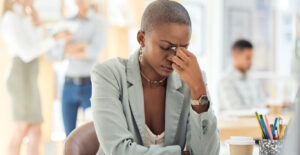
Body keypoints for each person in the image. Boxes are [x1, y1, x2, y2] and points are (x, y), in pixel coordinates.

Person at [90, 0, 220, 155]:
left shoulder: (191, 81)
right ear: (141, 39)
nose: (174, 57)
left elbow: (206, 153)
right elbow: (119, 150)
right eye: (166, 47)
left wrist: (199, 90)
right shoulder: (108, 75)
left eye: (184, 48)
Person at [1, 0, 55, 154]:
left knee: (36, 130)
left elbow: (35, 43)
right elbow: (27, 53)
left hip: (30, 77)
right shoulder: (10, 18)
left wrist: (36, 22)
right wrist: (54, 39)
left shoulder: (22, 17)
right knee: (20, 128)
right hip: (20, 77)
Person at [50, 0, 106, 136]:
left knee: (95, 134)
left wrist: (69, 48)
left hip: (90, 85)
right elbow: (57, 52)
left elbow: (93, 50)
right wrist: (83, 45)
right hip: (69, 85)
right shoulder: (66, 22)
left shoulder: (99, 22)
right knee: (69, 136)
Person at [218, 39, 266, 112]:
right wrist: (261, 108)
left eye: (252, 58)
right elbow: (236, 109)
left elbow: (262, 101)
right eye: (248, 58)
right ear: (235, 55)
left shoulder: (252, 78)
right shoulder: (225, 80)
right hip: (236, 123)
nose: (251, 62)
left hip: (254, 121)